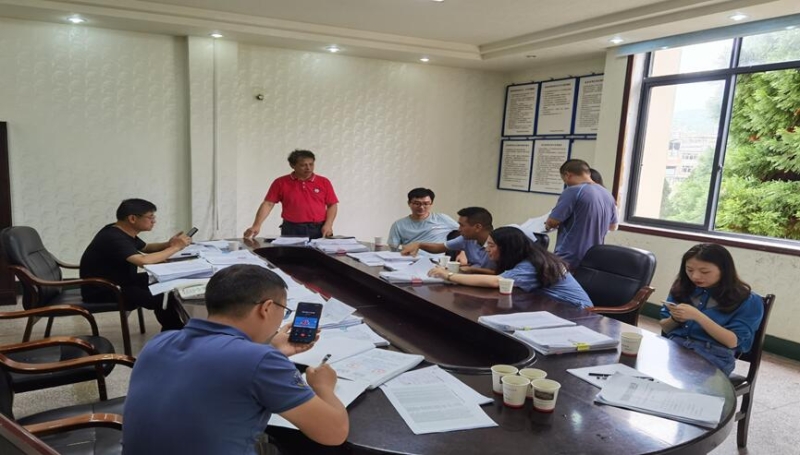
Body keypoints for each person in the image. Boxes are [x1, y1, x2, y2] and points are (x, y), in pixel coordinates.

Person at [122, 264, 348, 454]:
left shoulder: (159, 342)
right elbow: (334, 433)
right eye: (284, 310)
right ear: (267, 308)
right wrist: (324, 386)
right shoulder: (261, 361)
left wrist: (273, 350)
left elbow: (220, 368)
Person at [80, 198, 190, 330]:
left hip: (121, 281)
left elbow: (146, 248)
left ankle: (173, 330)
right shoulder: (113, 237)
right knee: (162, 298)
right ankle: (174, 333)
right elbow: (143, 261)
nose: (154, 221)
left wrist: (169, 244)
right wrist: (176, 247)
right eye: (150, 217)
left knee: (163, 282)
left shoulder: (120, 230)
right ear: (132, 218)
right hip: (104, 289)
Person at [660, 243, 764, 376]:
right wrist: (675, 318)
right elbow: (665, 328)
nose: (695, 276)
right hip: (676, 346)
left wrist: (698, 316)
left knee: (683, 380)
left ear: (724, 270)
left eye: (705, 272)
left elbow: (732, 341)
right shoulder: (683, 288)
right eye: (689, 270)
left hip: (714, 354)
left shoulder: (748, 300)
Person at [428, 226, 592, 308]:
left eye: (491, 245)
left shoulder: (532, 264)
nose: (487, 249)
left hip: (576, 314)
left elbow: (496, 281)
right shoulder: (524, 259)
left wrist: (448, 275)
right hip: (550, 308)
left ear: (507, 248)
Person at [244, 149, 339, 240]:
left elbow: (332, 205)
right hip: (291, 229)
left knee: (318, 252)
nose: (308, 168)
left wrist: (328, 224)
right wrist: (256, 225)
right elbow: (268, 204)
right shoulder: (280, 182)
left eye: (311, 164)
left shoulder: (324, 182)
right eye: (303, 165)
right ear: (292, 165)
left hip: (318, 229)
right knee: (290, 252)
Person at [544, 159, 617, 270]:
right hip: (594, 256)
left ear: (568, 175)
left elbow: (553, 222)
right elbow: (612, 226)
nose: (565, 183)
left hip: (570, 255)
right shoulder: (607, 194)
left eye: (564, 179)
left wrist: (548, 224)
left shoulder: (573, 191)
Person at [401, 207, 496, 274]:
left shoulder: (499, 242)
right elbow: (440, 247)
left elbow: (500, 273)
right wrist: (419, 245)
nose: (459, 229)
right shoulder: (466, 239)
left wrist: (472, 269)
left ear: (478, 227)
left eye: (462, 225)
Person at [387, 188, 458, 250]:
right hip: (409, 259)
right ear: (409, 203)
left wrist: (461, 252)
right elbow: (393, 248)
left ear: (431, 204)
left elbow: (463, 233)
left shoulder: (442, 218)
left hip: (434, 259)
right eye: (417, 203)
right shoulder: (398, 225)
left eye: (426, 204)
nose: (421, 207)